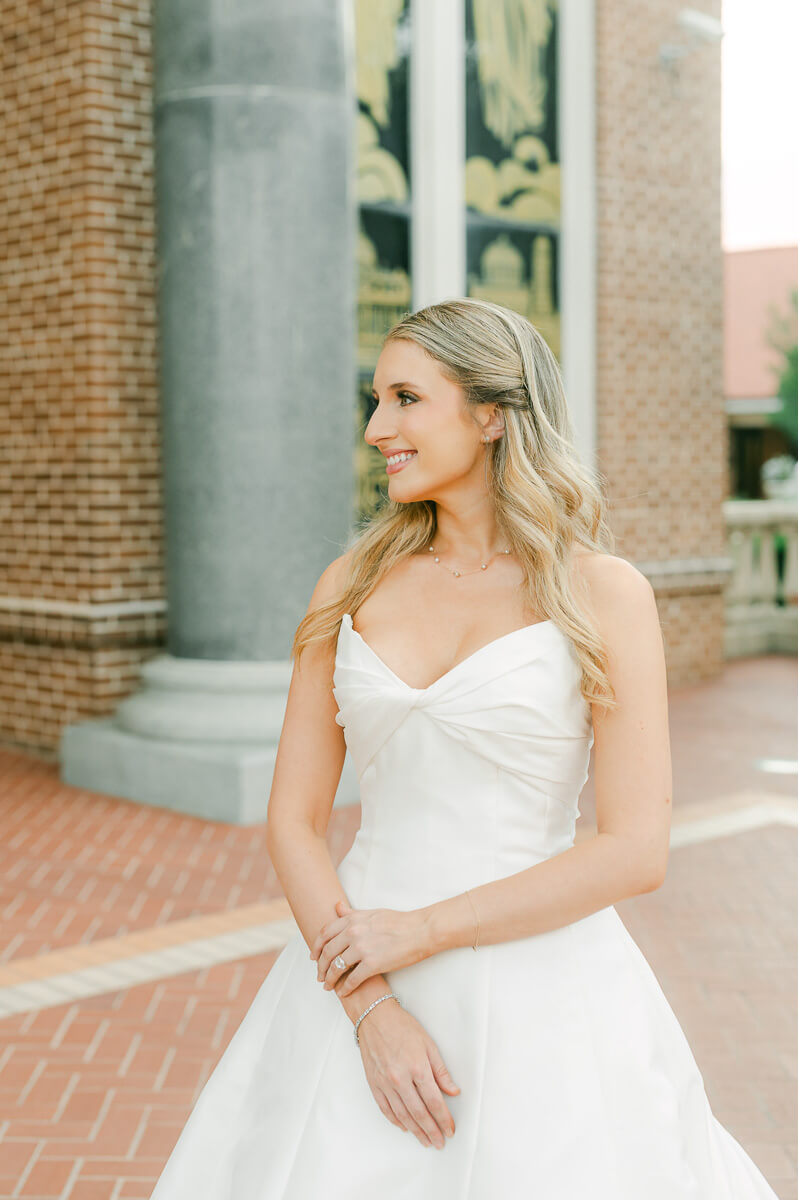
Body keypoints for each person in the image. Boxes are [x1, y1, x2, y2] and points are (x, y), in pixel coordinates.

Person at [149, 298, 780, 1198]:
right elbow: (293, 818)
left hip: (543, 988)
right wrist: (370, 1009)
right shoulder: (350, 584)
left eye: (406, 398)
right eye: (375, 401)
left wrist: (422, 931)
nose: (376, 428)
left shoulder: (603, 594)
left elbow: (636, 851)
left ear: (492, 415)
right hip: (353, 968)